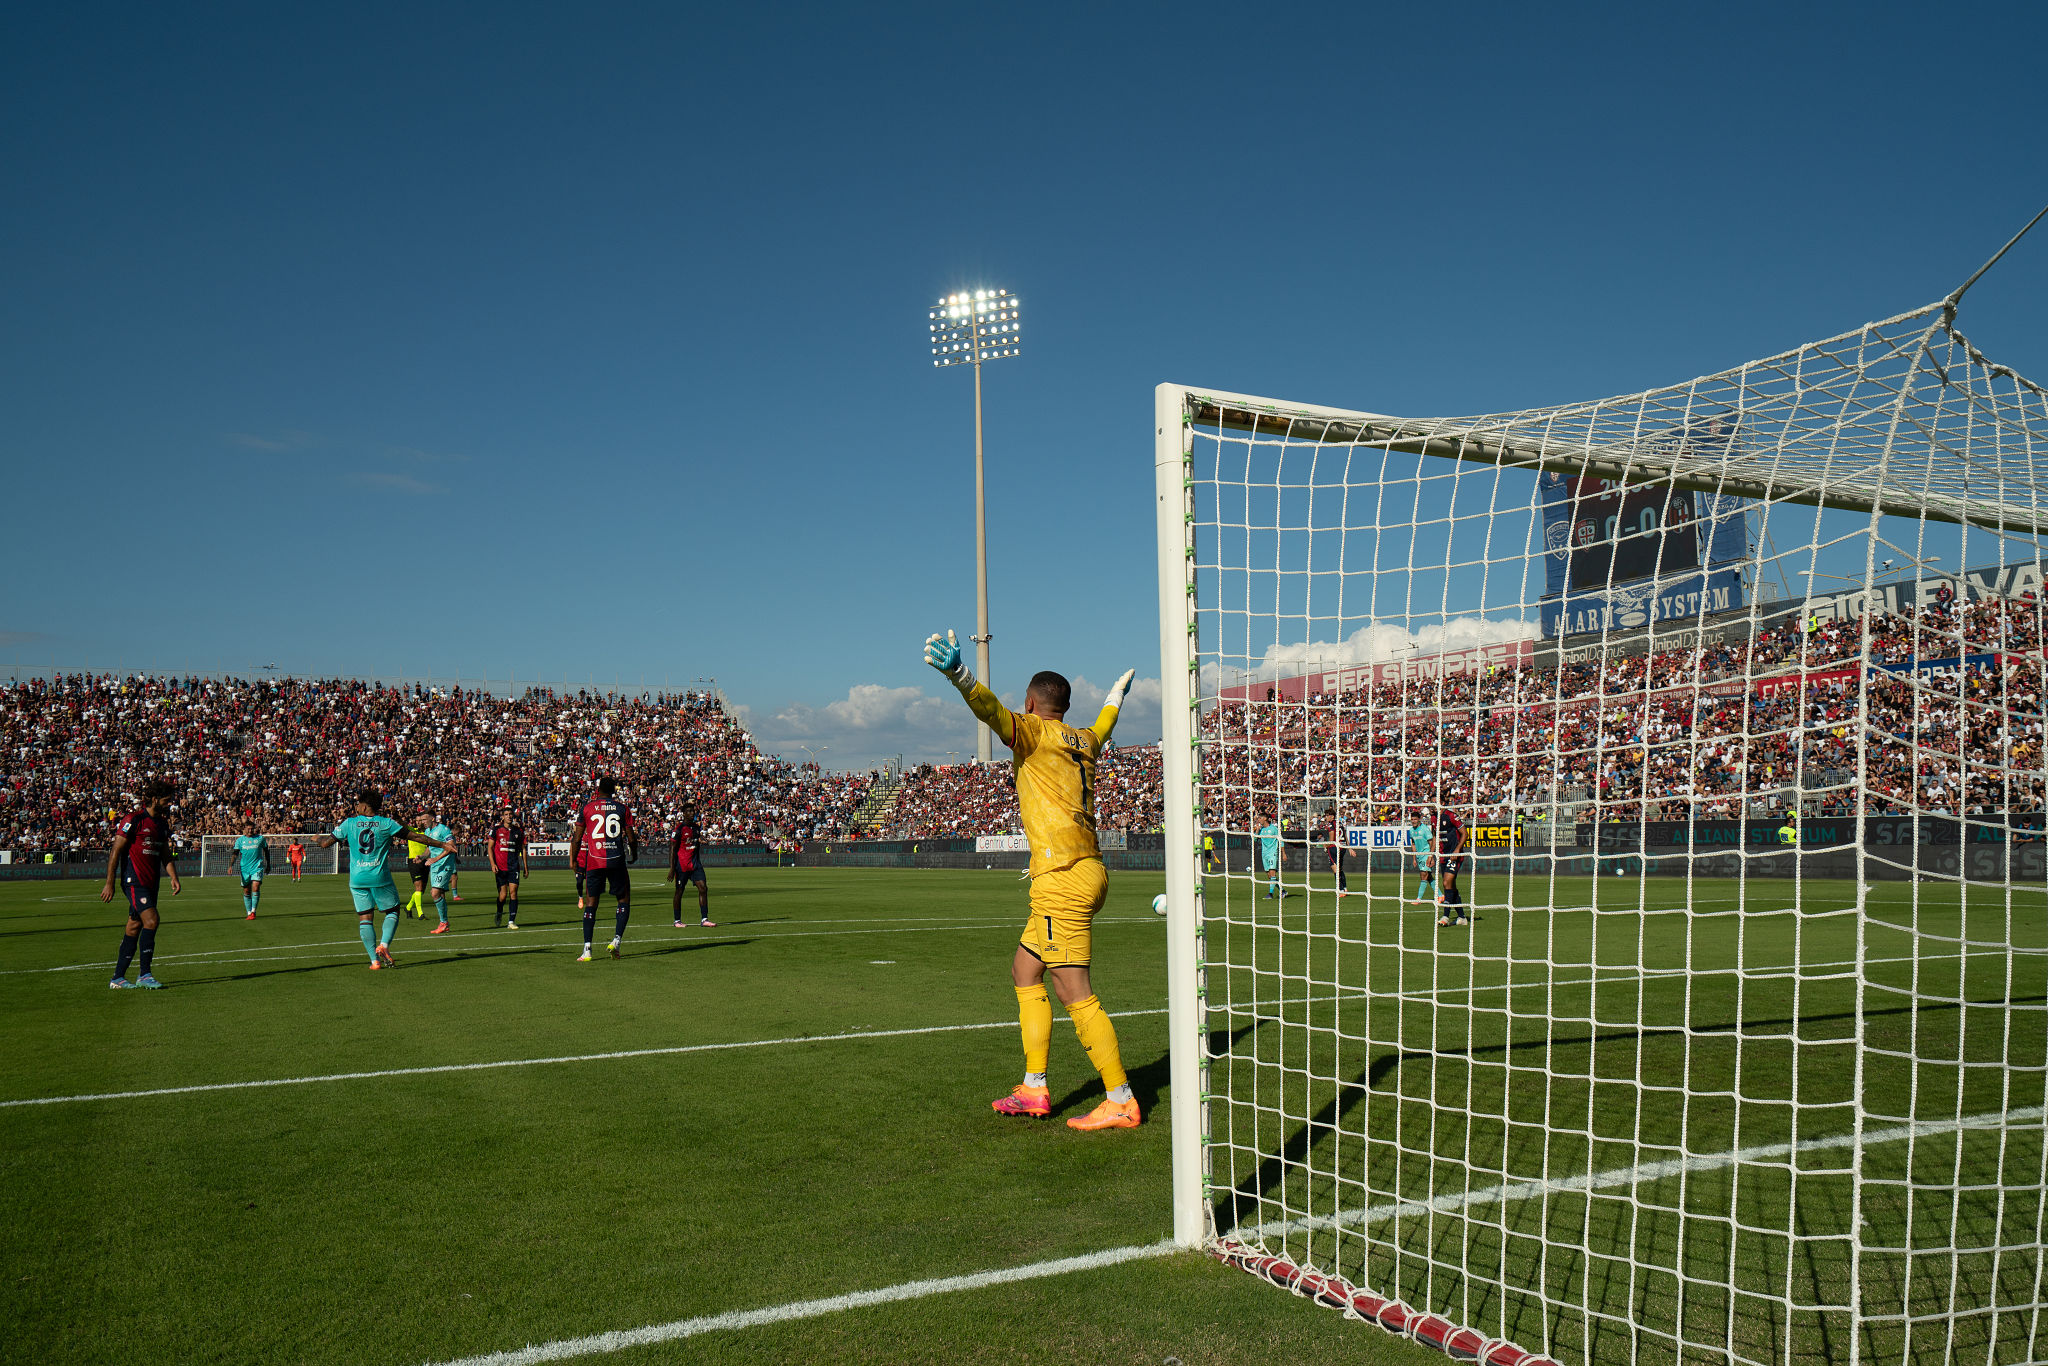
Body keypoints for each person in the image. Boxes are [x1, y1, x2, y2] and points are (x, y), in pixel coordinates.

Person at [925, 627, 1140, 1132]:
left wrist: (960, 675)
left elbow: (992, 714)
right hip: (1085, 868)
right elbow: (1105, 724)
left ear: (1031, 703)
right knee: (1025, 969)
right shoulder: (1084, 739)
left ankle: (1120, 1097)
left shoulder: (1035, 732)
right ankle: (1034, 1087)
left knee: (1075, 992)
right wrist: (1115, 696)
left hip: (1061, 876)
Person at [318, 789, 455, 970]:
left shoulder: (349, 823)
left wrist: (316, 838)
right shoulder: (386, 823)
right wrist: (442, 844)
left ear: (365, 806)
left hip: (357, 879)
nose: (356, 806)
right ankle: (384, 945)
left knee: (365, 918)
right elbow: (416, 836)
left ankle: (374, 961)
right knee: (393, 911)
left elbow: (325, 843)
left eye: (358, 803)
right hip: (379, 876)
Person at [101, 779, 182, 989]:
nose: (169, 804)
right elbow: (116, 851)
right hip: (134, 880)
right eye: (166, 800)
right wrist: (109, 882)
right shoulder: (134, 819)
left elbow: (165, 855)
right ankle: (145, 974)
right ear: (154, 799)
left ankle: (118, 977)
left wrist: (174, 877)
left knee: (134, 926)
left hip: (151, 882)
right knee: (152, 920)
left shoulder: (162, 824)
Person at [575, 776, 639, 961]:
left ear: (598, 790)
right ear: (613, 791)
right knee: (623, 899)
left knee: (591, 903)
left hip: (594, 861)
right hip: (616, 860)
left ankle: (587, 949)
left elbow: (577, 838)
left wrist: (573, 860)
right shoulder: (622, 808)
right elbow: (631, 838)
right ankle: (616, 942)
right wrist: (633, 854)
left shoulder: (587, 808)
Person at [668, 804, 714, 928]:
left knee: (703, 888)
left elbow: (696, 841)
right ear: (684, 813)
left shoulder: (696, 828)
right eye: (689, 811)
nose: (692, 813)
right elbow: (672, 849)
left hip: (695, 864)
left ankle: (704, 919)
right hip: (682, 865)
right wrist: (672, 868)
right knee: (679, 891)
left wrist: (701, 840)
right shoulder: (678, 829)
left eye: (693, 811)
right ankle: (677, 920)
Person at [488, 810, 528, 929]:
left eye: (510, 815)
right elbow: (490, 847)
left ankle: (511, 921)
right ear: (503, 817)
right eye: (506, 814)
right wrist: (492, 864)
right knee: (503, 895)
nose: (509, 816)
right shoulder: (496, 830)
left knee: (513, 892)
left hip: (513, 866)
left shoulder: (518, 831)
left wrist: (526, 866)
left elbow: (523, 849)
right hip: (500, 867)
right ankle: (499, 912)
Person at [1434, 803, 1470, 928]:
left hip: (1455, 855)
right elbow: (1435, 837)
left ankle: (1445, 916)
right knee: (1450, 886)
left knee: (1446, 883)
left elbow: (1465, 833)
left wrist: (1457, 850)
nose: (1433, 806)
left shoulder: (1451, 816)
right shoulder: (1434, 818)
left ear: (1441, 803)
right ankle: (1462, 917)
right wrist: (1430, 855)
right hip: (1443, 856)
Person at [423, 811, 458, 933]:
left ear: (432, 818)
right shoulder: (427, 832)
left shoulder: (443, 829)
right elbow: (429, 849)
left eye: (424, 819)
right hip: (434, 867)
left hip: (445, 865)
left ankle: (443, 922)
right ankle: (444, 924)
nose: (423, 822)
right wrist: (422, 857)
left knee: (435, 893)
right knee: (439, 894)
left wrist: (435, 859)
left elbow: (451, 846)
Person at [234, 819, 270, 919]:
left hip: (257, 867)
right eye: (248, 829)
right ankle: (249, 912)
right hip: (244, 869)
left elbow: (266, 851)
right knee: (246, 890)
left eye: (252, 829)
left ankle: (253, 911)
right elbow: (235, 853)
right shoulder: (240, 840)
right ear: (244, 829)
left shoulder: (260, 838)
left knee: (256, 886)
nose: (250, 830)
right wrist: (230, 865)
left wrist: (269, 864)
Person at [404, 810, 433, 918]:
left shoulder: (428, 833)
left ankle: (407, 908)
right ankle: (420, 913)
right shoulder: (412, 831)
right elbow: (402, 825)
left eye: (420, 820)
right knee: (419, 887)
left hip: (425, 861)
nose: (418, 822)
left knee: (421, 890)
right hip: (414, 861)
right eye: (417, 821)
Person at [1410, 809, 1436, 906]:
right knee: (1428, 877)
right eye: (1412, 819)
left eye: (1415, 819)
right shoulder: (1411, 830)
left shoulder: (1425, 829)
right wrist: (1414, 858)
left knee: (1423, 875)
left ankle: (1419, 899)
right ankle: (1440, 895)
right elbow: (1413, 845)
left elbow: (1431, 843)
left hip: (1426, 854)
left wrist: (1431, 856)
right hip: (1419, 856)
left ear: (1419, 819)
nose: (1413, 821)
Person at [1257, 818, 1282, 898]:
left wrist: (1283, 853)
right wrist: (1257, 830)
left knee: (1272, 873)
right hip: (1264, 854)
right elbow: (1254, 839)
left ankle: (1270, 894)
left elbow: (1281, 840)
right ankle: (1283, 891)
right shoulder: (1261, 830)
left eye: (1259, 818)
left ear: (1265, 819)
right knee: (1270, 876)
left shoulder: (1274, 829)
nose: (1258, 820)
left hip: (1272, 853)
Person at [1323, 824, 1347, 897]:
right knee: (1340, 868)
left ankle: (1341, 890)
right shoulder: (1341, 825)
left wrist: (1325, 846)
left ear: (1332, 816)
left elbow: (1331, 841)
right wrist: (1349, 848)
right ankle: (1345, 888)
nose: (1326, 817)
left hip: (1334, 848)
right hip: (1343, 847)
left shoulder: (1331, 826)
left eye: (1327, 815)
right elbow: (1346, 838)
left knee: (1335, 868)